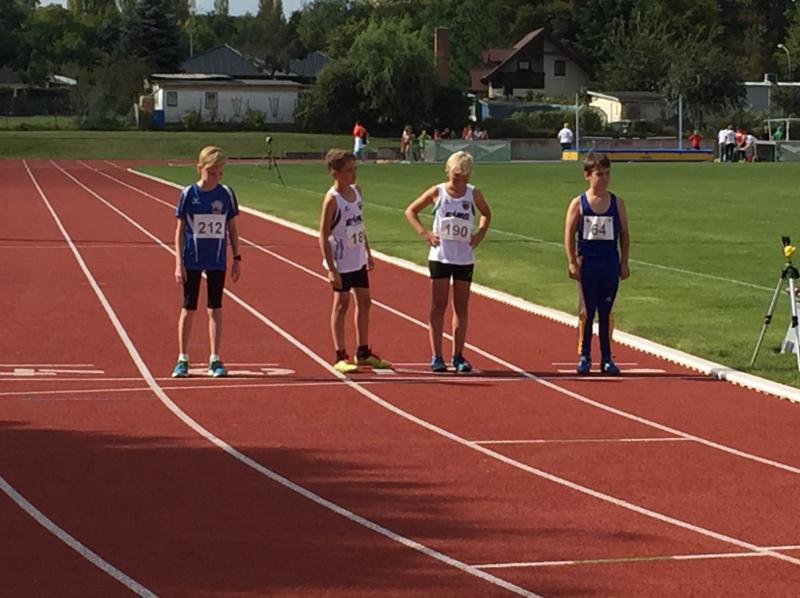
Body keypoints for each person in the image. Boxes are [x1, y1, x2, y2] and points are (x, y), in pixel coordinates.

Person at [404, 151, 492, 373]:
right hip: (441, 256)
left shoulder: (473, 193)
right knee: (438, 306)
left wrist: (479, 235)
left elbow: (486, 214)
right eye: (455, 176)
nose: (459, 181)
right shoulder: (438, 191)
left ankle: (458, 355)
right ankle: (437, 355)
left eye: (463, 177)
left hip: (464, 258)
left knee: (461, 307)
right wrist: (425, 233)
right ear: (448, 171)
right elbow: (411, 211)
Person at [319, 149, 391, 373]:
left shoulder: (357, 192)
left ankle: (363, 352)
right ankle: (340, 354)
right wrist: (331, 268)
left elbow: (359, 224)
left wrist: (367, 252)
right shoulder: (332, 199)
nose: (354, 174)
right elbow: (323, 234)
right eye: (349, 170)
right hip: (341, 260)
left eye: (355, 169)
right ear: (335, 172)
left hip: (357, 258)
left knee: (365, 302)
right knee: (342, 304)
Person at [172, 145, 241, 378]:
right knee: (188, 308)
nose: (216, 178)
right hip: (192, 258)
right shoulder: (188, 194)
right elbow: (179, 230)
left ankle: (215, 358)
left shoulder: (226, 194)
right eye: (211, 173)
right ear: (199, 168)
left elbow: (232, 227)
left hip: (216, 259)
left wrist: (237, 257)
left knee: (215, 308)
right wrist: (178, 263)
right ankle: (182, 358)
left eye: (220, 173)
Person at [563, 152, 630, 375]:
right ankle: (584, 356)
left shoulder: (617, 203)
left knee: (606, 312)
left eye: (607, 174)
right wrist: (572, 262)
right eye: (599, 174)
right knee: (587, 311)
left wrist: (624, 262)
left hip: (609, 262)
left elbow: (624, 234)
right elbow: (568, 234)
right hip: (588, 263)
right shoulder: (578, 203)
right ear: (587, 176)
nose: (604, 179)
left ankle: (607, 358)